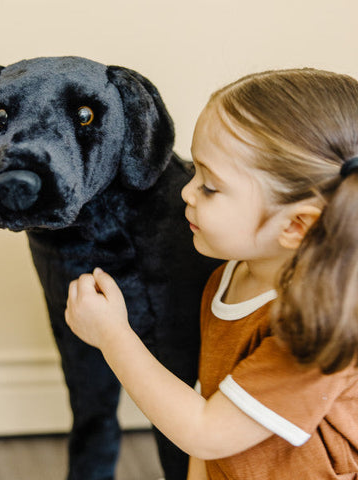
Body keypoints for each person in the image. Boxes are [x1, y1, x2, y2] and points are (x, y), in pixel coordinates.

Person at [64, 68, 358, 479]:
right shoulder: (230, 277)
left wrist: (112, 335)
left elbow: (205, 431)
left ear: (296, 226)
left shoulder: (315, 331)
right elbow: (209, 395)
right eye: (195, 173)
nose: (186, 191)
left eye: (210, 187)